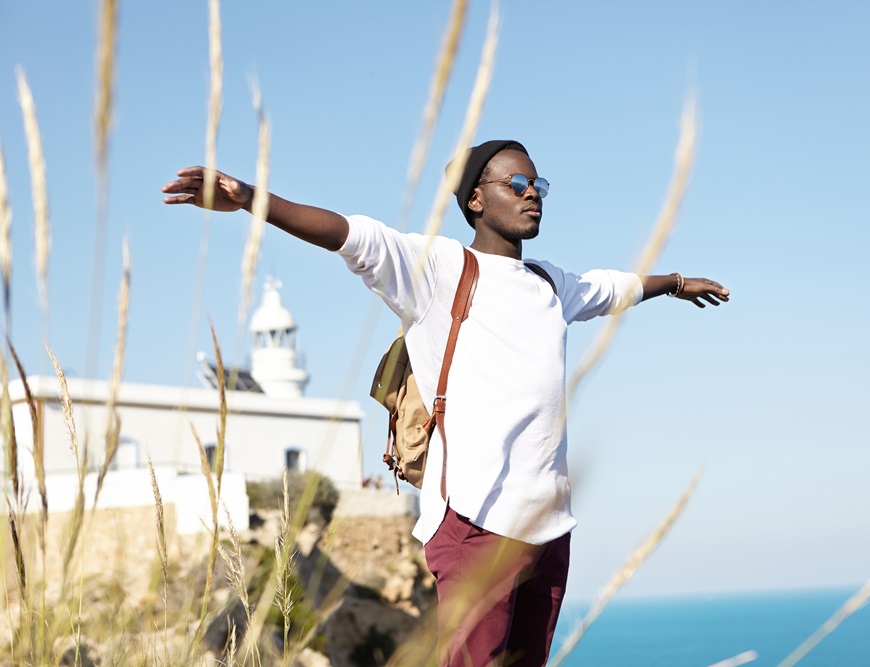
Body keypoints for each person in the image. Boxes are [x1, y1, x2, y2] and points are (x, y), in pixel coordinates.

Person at [162, 140, 729, 666]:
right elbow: (347, 233)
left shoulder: (551, 283)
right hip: (474, 521)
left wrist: (676, 282)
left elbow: (614, 288)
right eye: (518, 183)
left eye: (539, 185)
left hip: (550, 527)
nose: (533, 193)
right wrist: (248, 199)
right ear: (476, 199)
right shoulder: (436, 269)